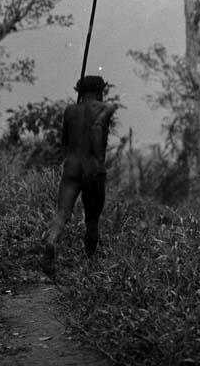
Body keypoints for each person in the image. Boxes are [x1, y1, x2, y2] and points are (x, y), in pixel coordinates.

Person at [42, 75, 116, 276]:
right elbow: (99, 134)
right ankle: (90, 266)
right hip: (92, 168)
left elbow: (65, 142)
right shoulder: (105, 109)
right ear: (100, 90)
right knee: (92, 219)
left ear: (79, 92)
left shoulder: (69, 111)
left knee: (62, 212)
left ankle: (51, 241)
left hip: (72, 166)